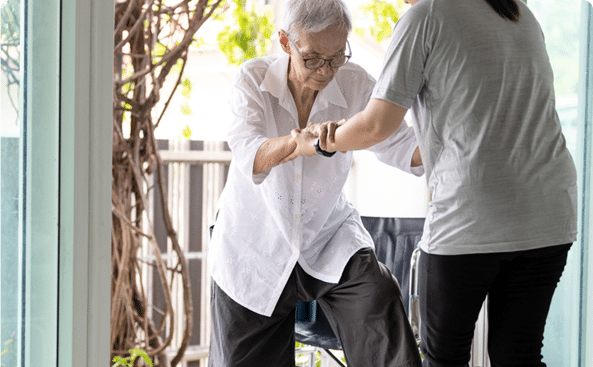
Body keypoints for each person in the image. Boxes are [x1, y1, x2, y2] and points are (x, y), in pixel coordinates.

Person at [301, 0, 578, 366]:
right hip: (548, 214)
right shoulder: (518, 12)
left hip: (471, 219)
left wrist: (325, 139)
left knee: (444, 359)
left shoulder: (426, 17)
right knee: (519, 355)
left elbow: (375, 125)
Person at [207, 0, 425, 366]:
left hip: (329, 234)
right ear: (285, 43)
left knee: (378, 298)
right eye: (312, 58)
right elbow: (251, 155)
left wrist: (457, 146)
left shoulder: (355, 82)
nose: (326, 70)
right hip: (254, 243)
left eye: (337, 56)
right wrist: (296, 143)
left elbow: (399, 144)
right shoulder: (252, 79)